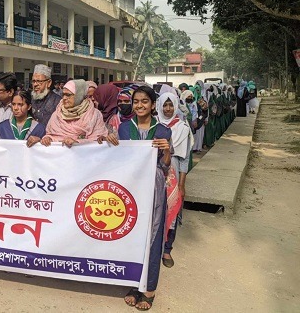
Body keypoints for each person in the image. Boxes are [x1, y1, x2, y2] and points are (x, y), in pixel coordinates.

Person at [119, 86, 171, 311]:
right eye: (136, 101)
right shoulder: (123, 128)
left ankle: (148, 289)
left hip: (153, 188)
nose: (139, 105)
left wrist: (167, 151)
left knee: (152, 235)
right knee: (132, 234)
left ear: (152, 104)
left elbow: (165, 166)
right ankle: (134, 283)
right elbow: (118, 157)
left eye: (144, 101)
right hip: (131, 187)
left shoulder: (163, 131)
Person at [156, 92, 191, 270]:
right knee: (155, 208)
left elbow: (185, 159)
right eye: (165, 105)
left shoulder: (183, 128)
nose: (168, 109)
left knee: (172, 209)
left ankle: (167, 249)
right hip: (155, 169)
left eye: (171, 105)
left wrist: (182, 185)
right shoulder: (153, 124)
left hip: (174, 171)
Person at [41, 79, 108, 147]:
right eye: (63, 94)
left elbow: (98, 139)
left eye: (68, 95)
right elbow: (52, 135)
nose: (64, 98)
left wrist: (78, 142)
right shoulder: (57, 114)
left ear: (79, 95)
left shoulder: (94, 114)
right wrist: (48, 139)